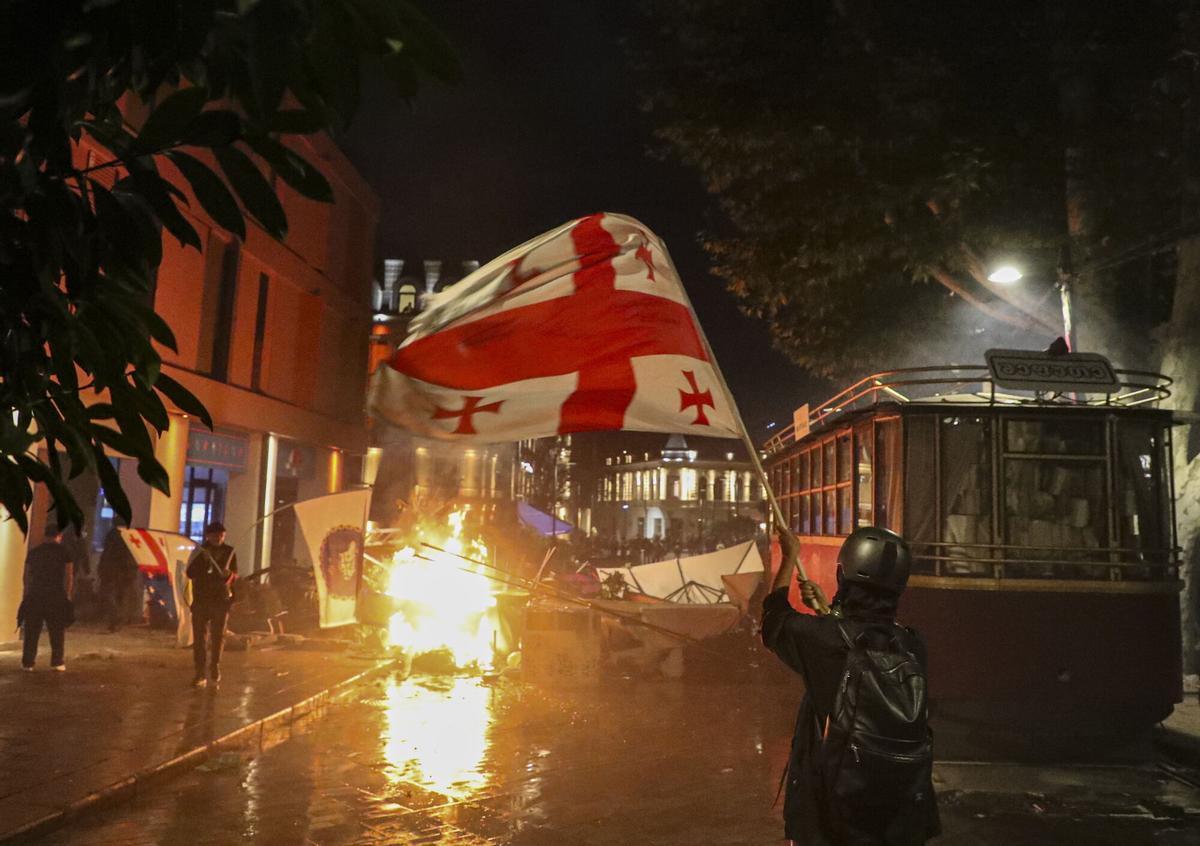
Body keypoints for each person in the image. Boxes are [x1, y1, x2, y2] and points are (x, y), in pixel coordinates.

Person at [761, 527, 939, 845]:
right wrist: (828, 613)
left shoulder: (823, 640)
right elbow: (861, 639)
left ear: (843, 575)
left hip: (833, 812)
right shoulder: (913, 645)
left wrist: (790, 556)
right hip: (898, 814)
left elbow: (774, 619)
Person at [185, 521, 237, 688]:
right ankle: (199, 671)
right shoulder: (200, 551)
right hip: (201, 599)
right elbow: (190, 572)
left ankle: (215, 666)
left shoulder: (230, 552)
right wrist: (203, 562)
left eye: (222, 535)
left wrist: (228, 575)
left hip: (220, 599)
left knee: (218, 636)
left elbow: (235, 574)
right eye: (215, 535)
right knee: (199, 637)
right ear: (208, 536)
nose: (219, 538)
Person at [19, 526, 75, 671]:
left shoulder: (34, 552)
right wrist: (67, 595)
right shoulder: (64, 552)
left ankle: (28, 662)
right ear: (59, 536)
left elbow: (26, 575)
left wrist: (27, 593)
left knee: (32, 631)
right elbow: (69, 576)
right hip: (56, 595)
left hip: (35, 594)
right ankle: (57, 662)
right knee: (57, 630)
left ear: (45, 536)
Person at [97, 525, 138, 632]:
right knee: (121, 596)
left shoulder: (112, 535)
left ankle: (116, 619)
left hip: (113, 570)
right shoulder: (128, 535)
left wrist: (102, 569)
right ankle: (119, 618)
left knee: (110, 595)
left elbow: (106, 553)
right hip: (125, 571)